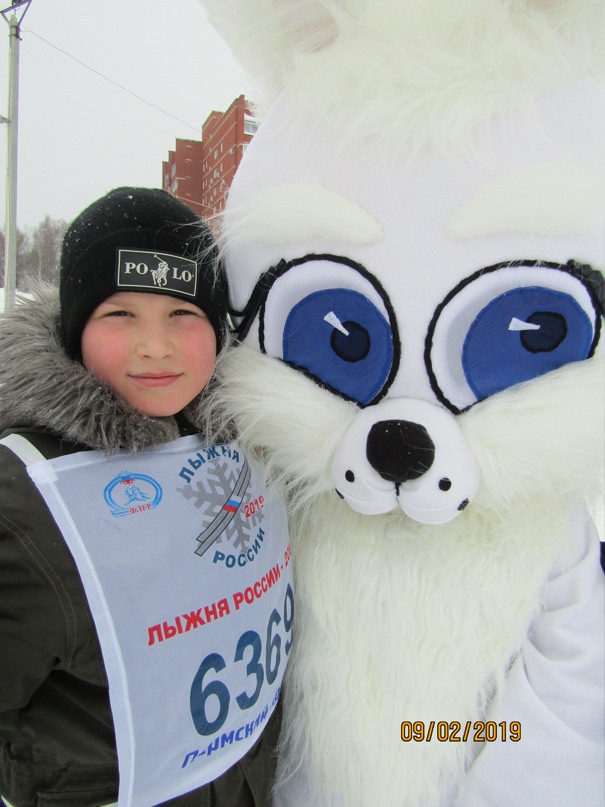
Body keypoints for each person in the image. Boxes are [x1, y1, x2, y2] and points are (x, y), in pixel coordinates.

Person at [0, 188, 291, 807]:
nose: (155, 346)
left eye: (182, 314)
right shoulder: (26, 501)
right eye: (119, 315)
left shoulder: (248, 445)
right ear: (75, 327)